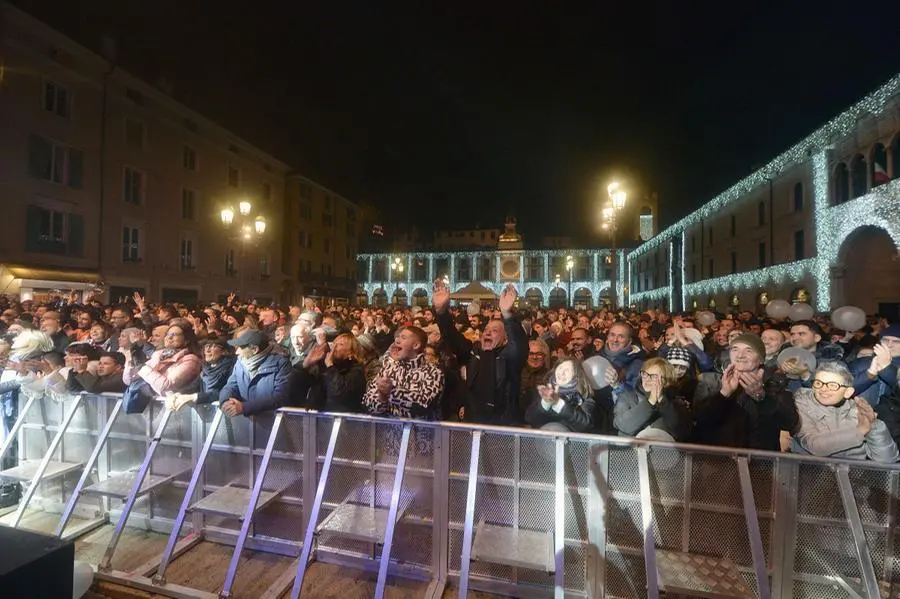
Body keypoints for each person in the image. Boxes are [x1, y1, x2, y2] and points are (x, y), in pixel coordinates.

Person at [434, 281, 526, 424]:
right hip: (472, 422)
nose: (488, 333)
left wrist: (507, 314)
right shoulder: (472, 352)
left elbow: (518, 345)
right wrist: (441, 313)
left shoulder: (509, 358)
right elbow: (452, 338)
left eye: (495, 331)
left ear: (505, 339)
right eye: (486, 330)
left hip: (501, 425)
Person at [692, 333, 798, 450]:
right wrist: (723, 394)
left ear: (761, 359)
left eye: (749, 351)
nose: (740, 355)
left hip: (760, 462)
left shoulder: (775, 384)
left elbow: (789, 422)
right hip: (721, 460)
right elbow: (701, 421)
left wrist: (762, 397)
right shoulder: (714, 383)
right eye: (735, 350)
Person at [793, 361, 898, 462]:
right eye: (818, 383)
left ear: (848, 392)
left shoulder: (857, 410)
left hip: (854, 477)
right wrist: (860, 431)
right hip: (812, 474)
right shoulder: (802, 402)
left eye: (833, 385)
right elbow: (814, 445)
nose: (823, 389)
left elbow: (887, 460)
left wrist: (873, 426)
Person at [362, 326, 444, 419]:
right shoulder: (389, 368)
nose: (397, 340)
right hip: (388, 431)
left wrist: (391, 390)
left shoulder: (433, 372)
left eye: (403, 338)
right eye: (398, 337)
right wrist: (382, 397)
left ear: (416, 345)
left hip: (419, 432)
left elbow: (423, 405)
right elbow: (367, 405)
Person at [614, 357, 692, 442]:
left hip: (664, 452)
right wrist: (649, 402)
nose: (647, 379)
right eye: (645, 374)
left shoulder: (676, 403)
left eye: (654, 376)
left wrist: (662, 401)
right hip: (632, 451)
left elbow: (681, 432)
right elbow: (623, 425)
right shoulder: (627, 397)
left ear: (666, 381)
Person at [219, 329, 295, 417]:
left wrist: (244, 407)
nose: (237, 352)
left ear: (254, 349)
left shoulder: (281, 363)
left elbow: (280, 397)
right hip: (249, 425)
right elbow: (230, 386)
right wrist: (225, 401)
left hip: (274, 424)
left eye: (241, 347)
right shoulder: (240, 363)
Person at [123, 323, 202, 396]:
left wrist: (141, 367)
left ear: (186, 340)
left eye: (174, 335)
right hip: (152, 407)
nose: (169, 337)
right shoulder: (159, 354)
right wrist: (133, 358)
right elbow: (128, 380)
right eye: (168, 334)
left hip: (175, 407)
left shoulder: (191, 360)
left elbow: (166, 387)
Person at [525, 358, 595, 433]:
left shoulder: (584, 396)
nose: (561, 373)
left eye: (567, 370)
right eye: (560, 367)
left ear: (576, 376)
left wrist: (558, 403)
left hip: (571, 442)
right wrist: (545, 403)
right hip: (542, 441)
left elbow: (586, 425)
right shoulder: (545, 391)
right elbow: (530, 419)